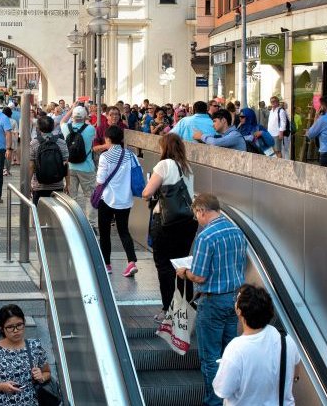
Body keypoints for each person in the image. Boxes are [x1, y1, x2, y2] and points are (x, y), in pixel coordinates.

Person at [176, 192, 248, 406]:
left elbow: (199, 275)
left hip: (212, 302)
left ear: (202, 211)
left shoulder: (206, 236)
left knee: (210, 358)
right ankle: (230, 400)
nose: (197, 220)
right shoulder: (236, 231)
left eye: (196, 215)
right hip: (234, 301)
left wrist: (184, 272)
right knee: (229, 354)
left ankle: (214, 402)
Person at [212, 284, 300, 406]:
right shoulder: (285, 339)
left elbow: (222, 390)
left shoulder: (236, 348)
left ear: (239, 311)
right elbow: (295, 374)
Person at [141, 133, 199, 319]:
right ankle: (186, 306)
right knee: (182, 263)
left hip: (167, 222)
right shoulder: (187, 167)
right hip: (188, 222)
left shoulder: (164, 165)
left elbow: (146, 192)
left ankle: (168, 308)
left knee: (164, 265)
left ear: (165, 148)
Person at [0, 304, 52, 406]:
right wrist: (2, 386)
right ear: (2, 328)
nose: (16, 330)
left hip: (31, 402)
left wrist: (41, 377)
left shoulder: (35, 346)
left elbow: (47, 372)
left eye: (19, 325)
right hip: (2, 402)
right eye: (10, 327)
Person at [95, 126, 139, 277]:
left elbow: (100, 180)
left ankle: (107, 264)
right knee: (124, 231)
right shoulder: (130, 155)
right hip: (125, 199)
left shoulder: (105, 156)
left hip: (107, 199)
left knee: (105, 233)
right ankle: (131, 262)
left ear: (107, 139)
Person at [61, 105, 99, 226]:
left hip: (70, 167)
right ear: (85, 117)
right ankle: (91, 224)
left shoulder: (66, 127)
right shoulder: (90, 129)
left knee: (72, 196)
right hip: (87, 167)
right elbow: (91, 125)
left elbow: (62, 120)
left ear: (72, 117)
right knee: (89, 196)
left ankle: (73, 222)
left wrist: (72, 109)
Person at [29, 115, 69, 203]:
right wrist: (68, 184)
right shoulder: (61, 142)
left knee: (38, 212)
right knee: (56, 213)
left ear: (38, 128)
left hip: (39, 185)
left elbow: (31, 165)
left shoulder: (34, 143)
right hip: (57, 185)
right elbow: (66, 164)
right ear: (53, 127)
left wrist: (28, 183)